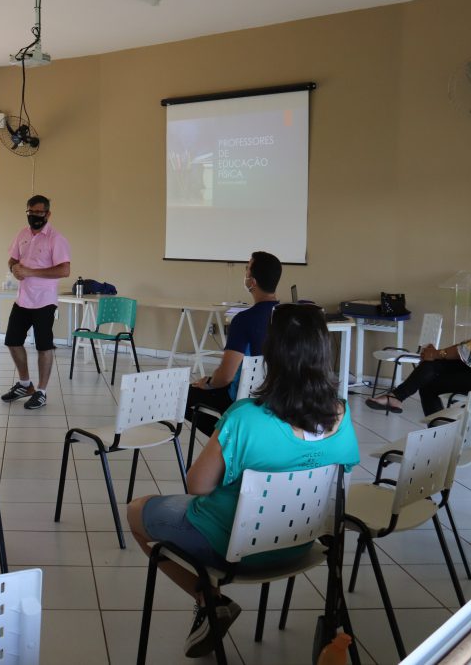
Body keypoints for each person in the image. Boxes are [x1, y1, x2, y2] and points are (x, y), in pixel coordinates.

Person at [127, 304, 359, 658]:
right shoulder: (341, 413)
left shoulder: (246, 416)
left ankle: (209, 599)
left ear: (272, 352)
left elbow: (197, 486)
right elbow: (341, 479)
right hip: (299, 544)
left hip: (235, 549)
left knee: (136, 511)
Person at [367, 267, 471, 416]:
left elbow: (470, 351)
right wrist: (436, 354)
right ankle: (396, 398)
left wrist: (436, 353)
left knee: (429, 384)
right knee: (433, 364)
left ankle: (401, 401)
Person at [185, 251, 282, 434]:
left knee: (182, 397)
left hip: (242, 399)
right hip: (278, 397)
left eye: (247, 269)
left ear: (252, 282)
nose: (245, 273)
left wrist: (208, 382)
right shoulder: (287, 316)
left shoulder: (244, 320)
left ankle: (228, 439)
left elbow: (225, 377)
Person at [0, 195, 71, 410]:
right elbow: (12, 259)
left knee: (43, 346)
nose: (34, 216)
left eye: (39, 213)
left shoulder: (56, 239)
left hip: (44, 301)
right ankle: (25, 384)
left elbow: (64, 270)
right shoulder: (22, 234)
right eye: (31, 212)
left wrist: (30, 272)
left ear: (48, 214)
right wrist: (14, 268)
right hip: (23, 299)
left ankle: (41, 391)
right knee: (12, 341)